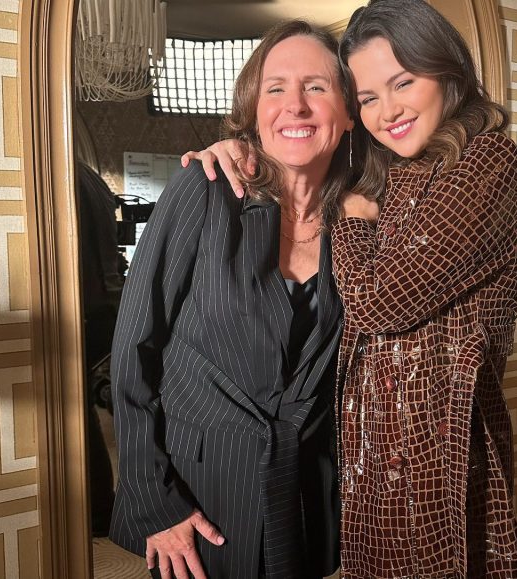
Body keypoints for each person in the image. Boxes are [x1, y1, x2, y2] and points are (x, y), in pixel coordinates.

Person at [183, 1, 517, 577]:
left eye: (403, 82)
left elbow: (375, 303)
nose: (387, 111)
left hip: (437, 442)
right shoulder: (400, 169)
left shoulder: (487, 160)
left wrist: (350, 219)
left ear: (447, 71)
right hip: (372, 446)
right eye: (368, 98)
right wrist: (240, 149)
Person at [109, 20, 357, 579]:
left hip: (302, 496)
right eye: (276, 88)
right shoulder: (205, 189)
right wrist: (154, 499)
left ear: (347, 111)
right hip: (199, 493)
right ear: (254, 110)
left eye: (316, 87)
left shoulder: (361, 220)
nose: (295, 105)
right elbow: (133, 350)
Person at [76, 161, 124, 537]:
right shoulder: (92, 179)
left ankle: (100, 511)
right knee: (104, 404)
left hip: (87, 308)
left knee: (81, 411)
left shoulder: (62, 173)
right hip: (108, 303)